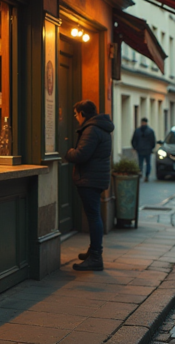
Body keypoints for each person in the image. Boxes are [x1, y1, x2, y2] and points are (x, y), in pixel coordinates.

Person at [64, 100, 114, 271]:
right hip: (96, 178)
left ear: (82, 114)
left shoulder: (91, 129)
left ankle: (95, 257)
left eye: (76, 114)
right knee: (94, 216)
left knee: (93, 217)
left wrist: (68, 152)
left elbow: (81, 155)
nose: (76, 118)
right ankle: (93, 251)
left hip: (90, 179)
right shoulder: (101, 127)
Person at [131, 117, 156, 182]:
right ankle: (146, 176)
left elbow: (133, 140)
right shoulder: (150, 131)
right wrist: (151, 148)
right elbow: (153, 141)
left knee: (141, 163)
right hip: (147, 150)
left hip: (140, 150)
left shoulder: (137, 131)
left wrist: (135, 147)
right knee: (148, 163)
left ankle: (141, 174)